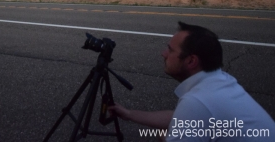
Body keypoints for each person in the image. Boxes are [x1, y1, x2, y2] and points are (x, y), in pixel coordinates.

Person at [108, 22, 275, 141]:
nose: (163, 54)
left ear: (191, 61)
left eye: (170, 50)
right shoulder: (220, 80)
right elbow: (181, 119)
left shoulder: (197, 101)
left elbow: (188, 115)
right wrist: (130, 114)